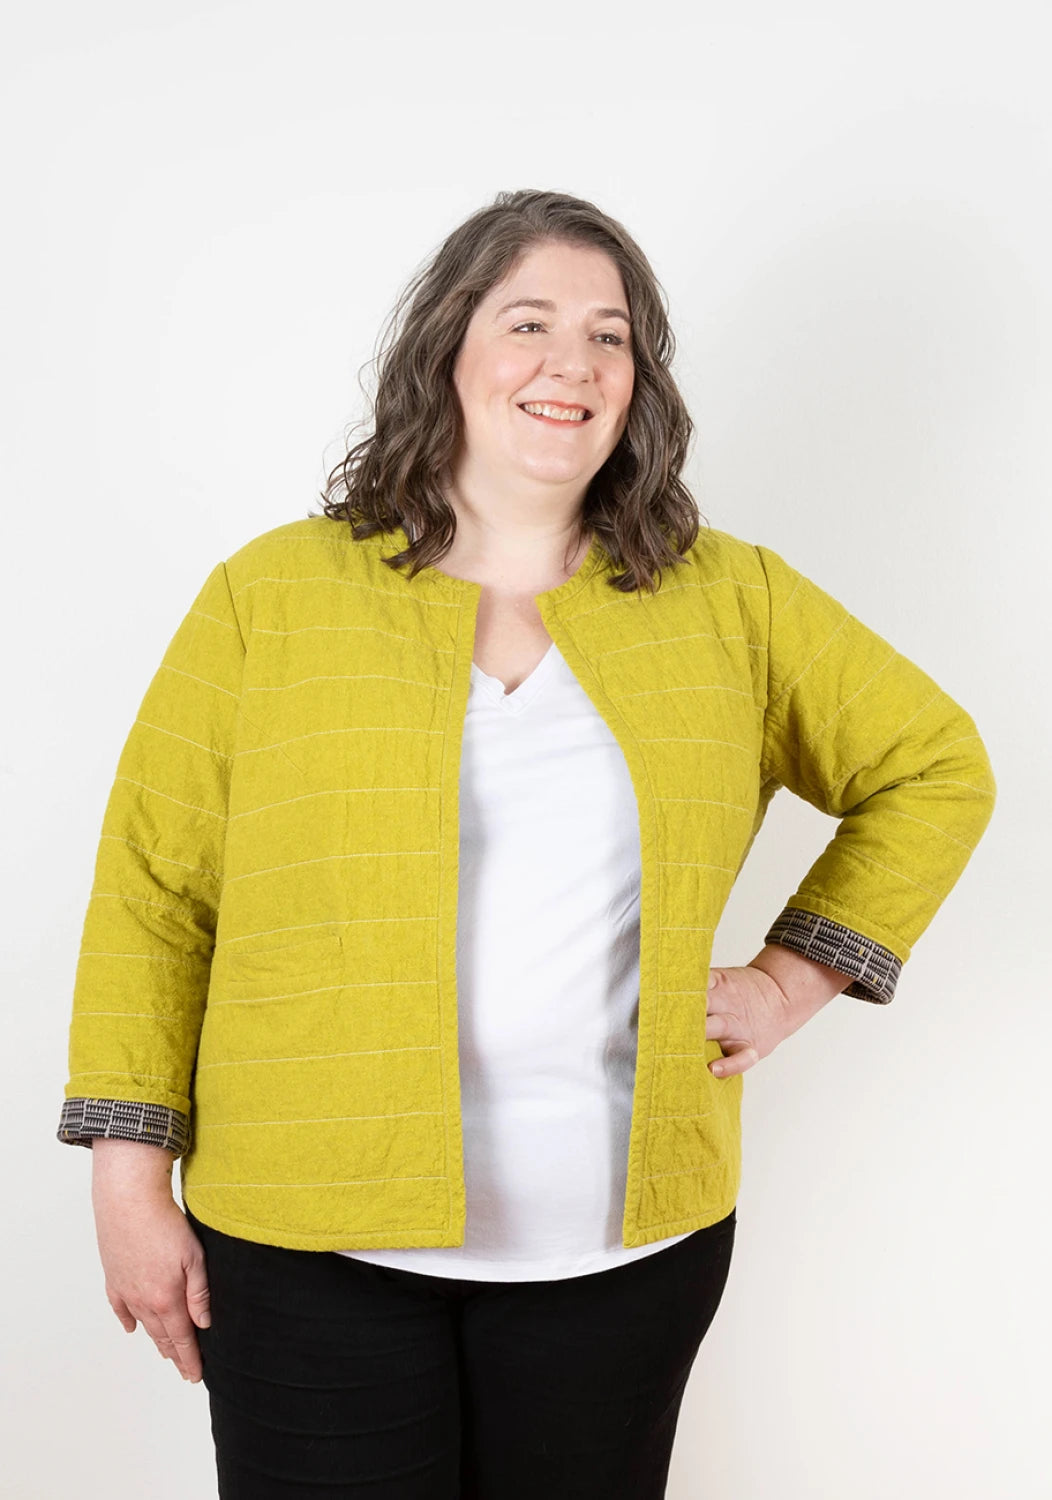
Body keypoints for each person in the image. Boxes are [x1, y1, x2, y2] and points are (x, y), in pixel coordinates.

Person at [57, 188, 997, 1499]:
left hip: (623, 1263)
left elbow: (932, 766)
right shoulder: (272, 597)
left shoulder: (730, 601)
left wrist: (792, 981)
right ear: (446, 349)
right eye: (531, 322)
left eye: (611, 337)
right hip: (303, 1248)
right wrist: (127, 1183)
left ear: (638, 384)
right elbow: (157, 890)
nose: (574, 363)